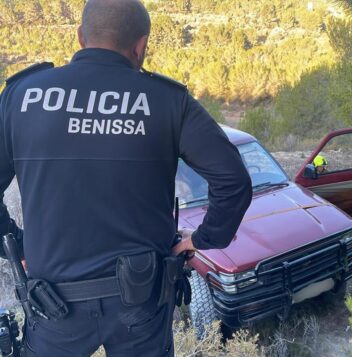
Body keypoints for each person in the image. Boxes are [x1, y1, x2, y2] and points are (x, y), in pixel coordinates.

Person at [0, 1, 252, 355]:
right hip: (142, 300)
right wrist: (203, 238)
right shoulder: (167, 101)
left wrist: (14, 244)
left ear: (80, 37)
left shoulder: (21, 96)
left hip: (53, 303)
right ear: (141, 45)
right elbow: (234, 181)